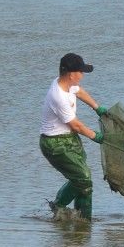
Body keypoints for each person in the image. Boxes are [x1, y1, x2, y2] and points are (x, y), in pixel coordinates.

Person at [39, 52, 108, 220]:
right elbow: (76, 125)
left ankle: (82, 220)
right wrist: (96, 137)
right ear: (71, 74)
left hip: (69, 140)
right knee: (83, 179)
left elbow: (79, 92)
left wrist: (97, 108)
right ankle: (61, 207)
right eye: (81, 72)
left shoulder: (66, 84)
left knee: (83, 179)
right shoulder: (58, 96)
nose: (82, 75)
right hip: (55, 144)